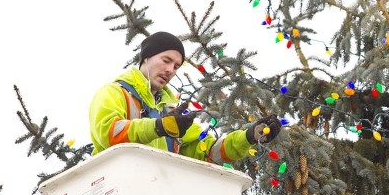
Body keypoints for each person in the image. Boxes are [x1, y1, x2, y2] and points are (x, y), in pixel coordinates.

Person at [89, 31, 281, 164]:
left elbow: (207, 150)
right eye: (166, 61)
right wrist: (159, 127)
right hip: (115, 193)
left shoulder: (170, 111)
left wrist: (247, 137)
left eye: (176, 66)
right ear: (146, 58)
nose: (170, 70)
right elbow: (108, 133)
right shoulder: (114, 93)